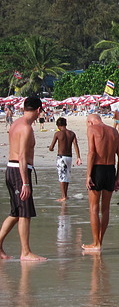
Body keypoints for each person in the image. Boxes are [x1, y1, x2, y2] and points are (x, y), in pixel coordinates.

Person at [0, 96, 47, 261]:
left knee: (15, 213)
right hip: (19, 171)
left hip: (11, 170)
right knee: (24, 213)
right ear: (38, 110)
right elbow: (21, 156)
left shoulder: (15, 124)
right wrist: (25, 182)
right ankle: (25, 252)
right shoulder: (26, 128)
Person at [82, 113, 119, 252]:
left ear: (90, 122)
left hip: (97, 169)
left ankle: (95, 243)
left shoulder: (92, 129)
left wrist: (88, 175)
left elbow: (92, 153)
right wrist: (118, 178)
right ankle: (100, 241)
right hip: (110, 170)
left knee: (93, 208)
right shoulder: (113, 131)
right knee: (105, 209)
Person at [48, 117, 82, 201]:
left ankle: (63, 196)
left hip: (61, 157)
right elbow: (75, 145)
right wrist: (78, 157)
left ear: (58, 126)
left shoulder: (58, 134)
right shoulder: (72, 133)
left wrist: (51, 149)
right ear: (65, 124)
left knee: (61, 176)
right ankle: (65, 195)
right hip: (69, 157)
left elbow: (51, 147)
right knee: (67, 176)